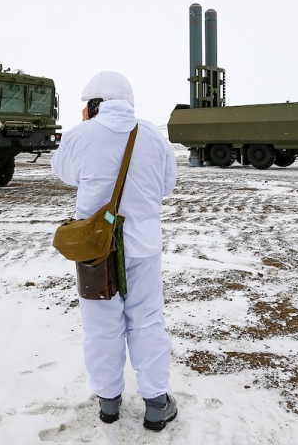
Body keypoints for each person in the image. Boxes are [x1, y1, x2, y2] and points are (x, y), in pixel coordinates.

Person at [51, 71, 179, 431]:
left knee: (101, 325)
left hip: (97, 249)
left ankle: (108, 402)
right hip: (143, 245)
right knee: (148, 319)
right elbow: (167, 186)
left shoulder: (80, 135)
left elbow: (64, 173)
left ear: (93, 104)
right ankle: (156, 403)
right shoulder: (153, 135)